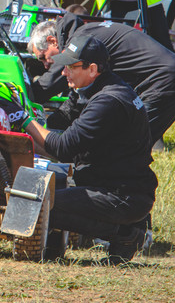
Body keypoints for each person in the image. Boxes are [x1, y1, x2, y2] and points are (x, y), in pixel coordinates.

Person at [22, 34, 157, 264]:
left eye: (70, 67)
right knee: (44, 192)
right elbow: (58, 122)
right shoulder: (96, 87)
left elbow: (63, 148)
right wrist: (33, 123)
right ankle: (56, 250)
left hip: (121, 196)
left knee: (37, 207)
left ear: (92, 69)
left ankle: (127, 233)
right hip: (110, 185)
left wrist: (24, 120)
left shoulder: (108, 101)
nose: (63, 73)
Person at [28, 12, 175, 151]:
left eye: (43, 57)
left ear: (52, 41)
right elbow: (78, 97)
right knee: (126, 142)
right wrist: (52, 124)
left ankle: (126, 191)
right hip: (167, 77)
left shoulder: (80, 42)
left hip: (167, 80)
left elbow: (47, 86)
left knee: (129, 145)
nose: (45, 65)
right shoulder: (84, 32)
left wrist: (19, 99)